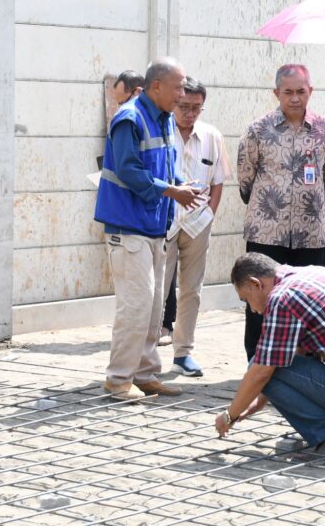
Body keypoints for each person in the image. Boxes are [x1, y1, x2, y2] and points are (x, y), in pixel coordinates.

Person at [214, 253, 325, 457]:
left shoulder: (281, 298)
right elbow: (297, 352)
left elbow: (262, 372)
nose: (253, 310)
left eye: (246, 300)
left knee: (256, 365)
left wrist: (230, 415)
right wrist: (259, 401)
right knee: (279, 363)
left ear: (255, 284)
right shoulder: (312, 274)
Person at [95, 58, 203, 401]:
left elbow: (162, 167)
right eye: (178, 87)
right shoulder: (129, 118)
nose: (182, 94)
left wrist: (179, 184)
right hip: (128, 228)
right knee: (136, 306)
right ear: (156, 86)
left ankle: (145, 374)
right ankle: (118, 381)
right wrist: (172, 191)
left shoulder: (163, 117)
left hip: (153, 228)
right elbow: (128, 170)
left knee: (153, 308)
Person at [237, 63, 325, 359]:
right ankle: (256, 363)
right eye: (288, 92)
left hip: (310, 234)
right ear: (276, 93)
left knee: (309, 301)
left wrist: (313, 204)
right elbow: (245, 177)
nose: (295, 98)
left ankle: (304, 364)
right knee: (260, 300)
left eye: (301, 91)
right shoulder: (258, 130)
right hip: (266, 232)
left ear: (311, 91)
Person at [159, 78, 230, 378]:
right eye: (184, 107)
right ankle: (145, 353)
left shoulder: (211, 135)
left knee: (192, 289)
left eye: (196, 109)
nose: (189, 114)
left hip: (198, 222)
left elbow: (219, 180)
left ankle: (183, 352)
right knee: (156, 290)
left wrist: (210, 212)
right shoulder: (161, 131)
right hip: (164, 221)